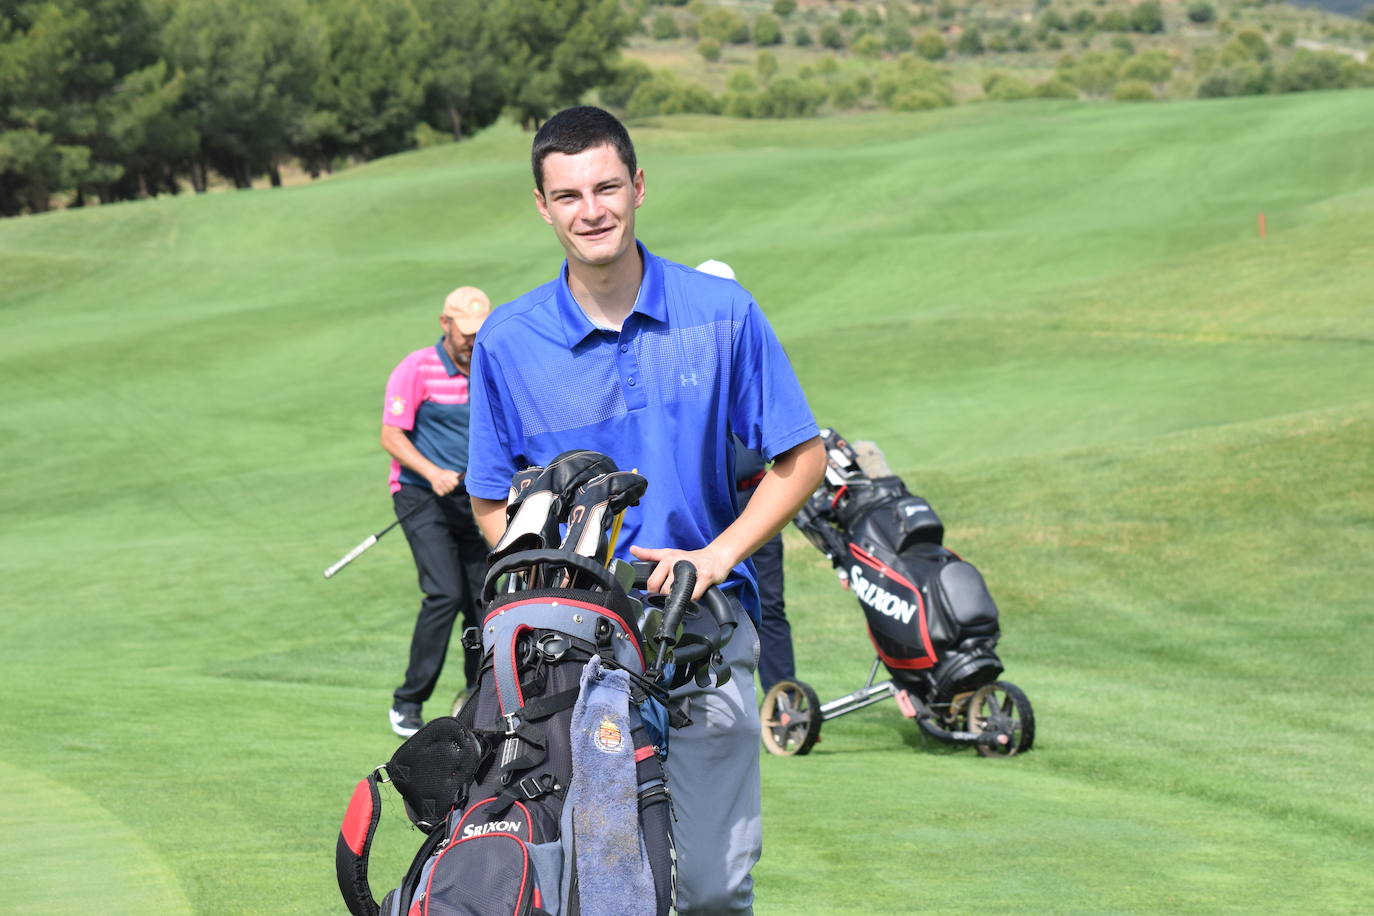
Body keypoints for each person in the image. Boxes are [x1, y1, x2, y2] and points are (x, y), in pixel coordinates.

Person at [465, 105, 825, 915]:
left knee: (710, 889)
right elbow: (492, 501)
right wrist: (552, 581)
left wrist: (718, 554)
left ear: (638, 187)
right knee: (584, 888)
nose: (590, 210)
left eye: (606, 188)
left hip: (697, 630)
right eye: (567, 195)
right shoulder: (509, 342)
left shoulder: (720, 314)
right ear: (542, 205)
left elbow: (801, 459)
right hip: (567, 655)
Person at [381, 287, 491, 738]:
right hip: (421, 496)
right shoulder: (417, 368)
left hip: (475, 499)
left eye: (479, 333)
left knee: (483, 601)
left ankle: (477, 696)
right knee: (445, 593)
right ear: (444, 324)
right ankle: (407, 702)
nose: (471, 340)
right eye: (465, 332)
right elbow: (392, 436)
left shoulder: (489, 367)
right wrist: (433, 472)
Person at [696, 259, 797, 694]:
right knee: (700, 599)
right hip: (704, 505)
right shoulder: (682, 364)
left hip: (755, 498)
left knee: (768, 603)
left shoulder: (757, 356)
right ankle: (707, 691)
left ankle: (783, 700)